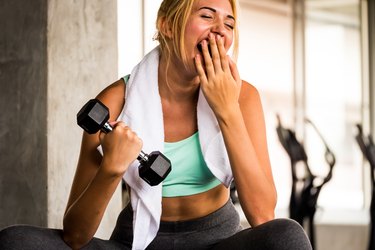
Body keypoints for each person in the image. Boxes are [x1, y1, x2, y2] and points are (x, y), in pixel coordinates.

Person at [0, 0, 312, 249]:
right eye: (207, 16)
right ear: (167, 25)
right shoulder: (115, 102)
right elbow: (76, 236)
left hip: (219, 240)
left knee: (286, 236)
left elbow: (262, 215)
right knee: (15, 241)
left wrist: (227, 110)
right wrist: (111, 168)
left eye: (229, 24)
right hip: (139, 241)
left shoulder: (243, 96)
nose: (220, 31)